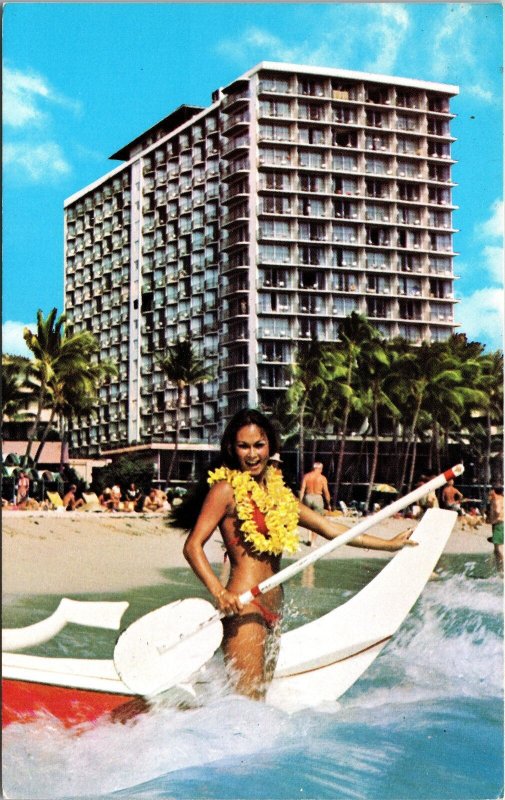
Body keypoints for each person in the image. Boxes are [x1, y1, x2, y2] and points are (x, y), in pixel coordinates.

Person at [183, 408, 416, 701]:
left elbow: (330, 528)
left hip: (274, 606)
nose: (252, 454)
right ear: (232, 448)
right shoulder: (225, 490)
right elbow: (192, 546)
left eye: (259, 445)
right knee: (246, 704)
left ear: (271, 447)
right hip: (245, 605)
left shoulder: (280, 496)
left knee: (260, 700)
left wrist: (387, 544)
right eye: (244, 446)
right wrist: (218, 592)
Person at [299, 462, 332, 545]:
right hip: (317, 498)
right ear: (320, 469)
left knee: (309, 519)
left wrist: (300, 501)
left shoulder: (306, 476)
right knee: (317, 521)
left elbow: (302, 490)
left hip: (308, 497)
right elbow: (326, 492)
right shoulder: (322, 478)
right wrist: (328, 503)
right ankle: (313, 542)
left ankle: (309, 539)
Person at [486, 486, 503, 573]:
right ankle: (499, 570)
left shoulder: (497, 500)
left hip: (498, 525)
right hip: (500, 525)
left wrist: (492, 520)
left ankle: (502, 570)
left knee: (498, 549)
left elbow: (498, 511)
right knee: (497, 549)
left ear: (494, 491)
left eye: (490, 490)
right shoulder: (502, 498)